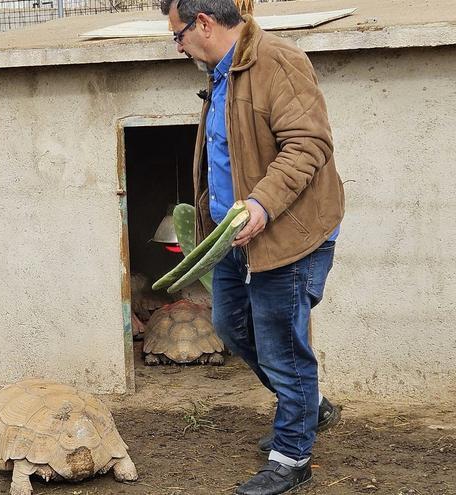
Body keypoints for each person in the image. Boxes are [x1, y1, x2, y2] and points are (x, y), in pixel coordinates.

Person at [159, 0, 345, 493]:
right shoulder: (222, 73)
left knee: (283, 348)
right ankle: (310, 406)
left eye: (177, 35)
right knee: (230, 325)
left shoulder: (275, 61)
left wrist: (261, 205)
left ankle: (292, 457)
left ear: (202, 23)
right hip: (234, 236)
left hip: (285, 234)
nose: (177, 46)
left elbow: (308, 142)